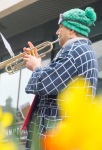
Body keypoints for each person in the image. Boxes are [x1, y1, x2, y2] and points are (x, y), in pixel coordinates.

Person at [22, 7, 98, 150]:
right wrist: (38, 63)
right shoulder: (82, 51)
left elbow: (44, 85)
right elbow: (56, 83)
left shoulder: (73, 51)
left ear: (71, 30)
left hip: (57, 133)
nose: (57, 32)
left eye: (60, 27)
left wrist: (36, 67)